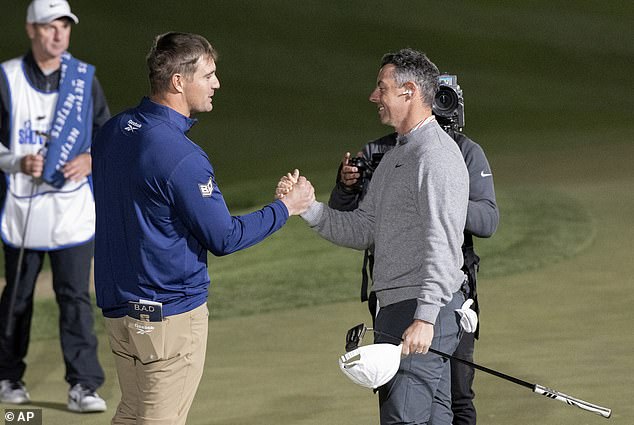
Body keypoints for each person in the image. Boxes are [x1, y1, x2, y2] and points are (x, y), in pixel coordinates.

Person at [91, 31, 315, 425]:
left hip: (120, 313)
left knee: (131, 414)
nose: (217, 84)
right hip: (168, 319)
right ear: (179, 81)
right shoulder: (181, 156)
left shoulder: (112, 132)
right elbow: (224, 236)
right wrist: (286, 207)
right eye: (208, 74)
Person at [280, 48, 470, 424]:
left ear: (408, 92)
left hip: (420, 310)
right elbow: (365, 227)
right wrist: (309, 208)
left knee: (404, 419)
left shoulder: (435, 157)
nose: (373, 96)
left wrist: (427, 317)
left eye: (381, 87)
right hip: (399, 309)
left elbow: (443, 244)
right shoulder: (399, 156)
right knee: (432, 419)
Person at [329, 114, 499, 424]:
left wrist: (441, 194)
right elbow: (353, 221)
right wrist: (345, 188)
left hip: (448, 293)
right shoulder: (382, 152)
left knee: (456, 393)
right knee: (409, 394)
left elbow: (487, 221)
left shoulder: (462, 151)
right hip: (394, 293)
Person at [0, 0, 110, 412]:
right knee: (19, 296)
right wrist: (16, 161)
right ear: (31, 29)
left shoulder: (84, 79)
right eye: (49, 26)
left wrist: (91, 158)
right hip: (23, 207)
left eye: (64, 25)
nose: (58, 34)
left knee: (75, 297)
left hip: (71, 208)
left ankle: (84, 385)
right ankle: (8, 376)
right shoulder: (7, 78)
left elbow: (105, 134)